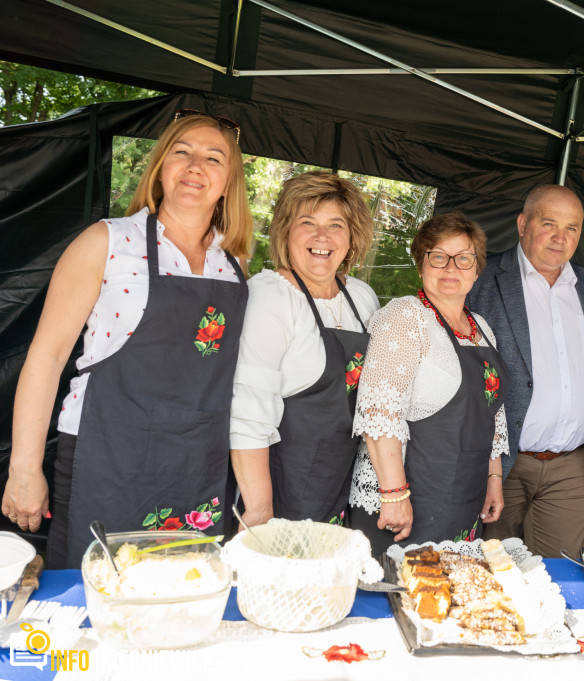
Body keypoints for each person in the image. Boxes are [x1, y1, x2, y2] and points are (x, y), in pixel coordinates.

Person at [2, 110, 252, 567]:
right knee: (95, 598)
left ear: (228, 181)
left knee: (183, 600)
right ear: (160, 167)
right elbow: (46, 356)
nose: (196, 166)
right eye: (182, 152)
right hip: (108, 456)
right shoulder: (108, 241)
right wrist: (24, 468)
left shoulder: (234, 265)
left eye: (213, 158)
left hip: (198, 468)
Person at [347, 212, 509, 556]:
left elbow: (493, 416)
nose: (451, 268)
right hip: (406, 502)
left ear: (477, 269)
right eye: (438, 257)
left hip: (463, 498)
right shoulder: (405, 316)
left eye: (464, 258)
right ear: (421, 265)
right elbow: (379, 413)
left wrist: (493, 479)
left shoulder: (481, 327)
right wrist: (394, 494)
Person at [466, 184, 584, 558]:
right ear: (522, 224)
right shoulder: (481, 279)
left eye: (572, 228)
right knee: (489, 574)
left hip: (568, 467)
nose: (560, 238)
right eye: (549, 224)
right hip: (501, 464)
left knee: (558, 576)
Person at [229, 172, 378, 526]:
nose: (321, 237)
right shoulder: (271, 296)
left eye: (336, 225)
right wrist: (260, 510)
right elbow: (248, 411)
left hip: (343, 490)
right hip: (281, 491)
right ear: (285, 230)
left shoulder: (361, 298)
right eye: (307, 222)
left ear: (352, 237)